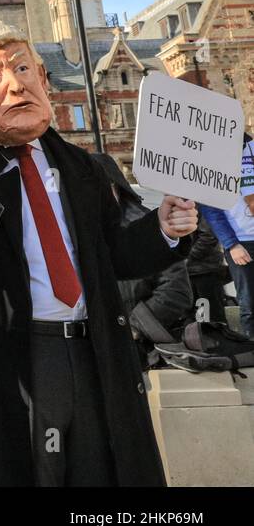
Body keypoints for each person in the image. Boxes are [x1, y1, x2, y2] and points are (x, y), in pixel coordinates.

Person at [0, 23, 198, 486]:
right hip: (12, 360)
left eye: (24, 69)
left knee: (101, 471)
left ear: (43, 78)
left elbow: (114, 257)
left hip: (93, 350)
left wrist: (162, 229)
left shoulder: (86, 166)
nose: (16, 84)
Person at [90, 155, 194, 367]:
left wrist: (133, 328)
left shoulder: (146, 226)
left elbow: (176, 292)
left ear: (115, 188)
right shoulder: (73, 234)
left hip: (144, 350)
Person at [197, 132, 254, 337]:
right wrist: (231, 244)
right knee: (249, 302)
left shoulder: (251, 147)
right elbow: (211, 209)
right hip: (241, 242)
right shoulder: (213, 159)